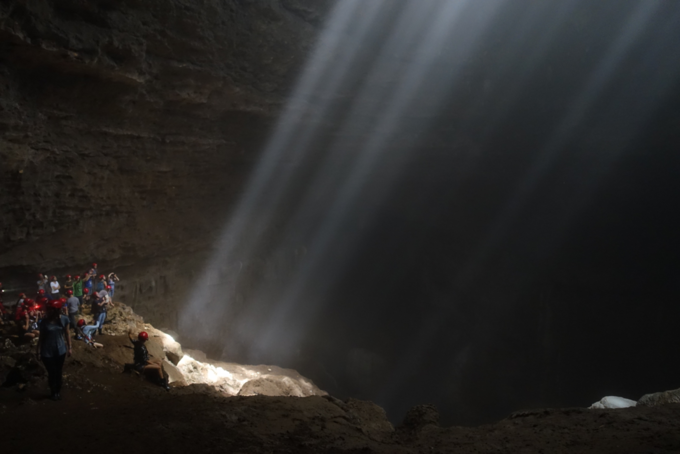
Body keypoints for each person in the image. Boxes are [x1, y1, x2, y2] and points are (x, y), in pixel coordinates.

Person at [37, 299, 71, 401]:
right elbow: (41, 337)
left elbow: (67, 334)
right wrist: (38, 351)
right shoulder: (44, 322)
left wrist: (70, 347)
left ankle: (57, 392)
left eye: (50, 309)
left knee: (58, 372)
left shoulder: (64, 319)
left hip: (60, 350)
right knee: (52, 372)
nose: (48, 311)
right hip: (47, 351)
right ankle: (53, 392)